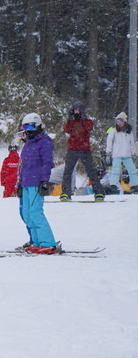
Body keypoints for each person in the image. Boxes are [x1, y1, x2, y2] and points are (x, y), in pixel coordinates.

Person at [15, 113, 59, 253]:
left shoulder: (44, 142)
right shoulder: (28, 143)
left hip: (36, 182)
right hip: (26, 182)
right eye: (25, 126)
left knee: (35, 213)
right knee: (27, 214)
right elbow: (23, 165)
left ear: (38, 125)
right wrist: (20, 183)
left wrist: (45, 181)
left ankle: (48, 243)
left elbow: (47, 163)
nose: (27, 129)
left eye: (30, 126)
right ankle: (36, 241)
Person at [60, 102, 105, 201]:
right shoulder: (71, 122)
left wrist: (83, 117)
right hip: (72, 149)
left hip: (85, 150)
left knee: (91, 172)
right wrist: (69, 118)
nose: (77, 112)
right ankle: (66, 193)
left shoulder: (87, 121)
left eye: (78, 110)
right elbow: (66, 129)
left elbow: (89, 128)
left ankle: (99, 192)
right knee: (68, 172)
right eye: (75, 110)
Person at [105, 112, 136, 192]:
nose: (119, 124)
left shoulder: (128, 131)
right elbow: (109, 141)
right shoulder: (114, 131)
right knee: (115, 170)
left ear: (124, 121)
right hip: (117, 154)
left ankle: (135, 184)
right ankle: (113, 185)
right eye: (117, 122)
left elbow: (132, 143)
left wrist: (133, 152)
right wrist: (109, 151)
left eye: (120, 121)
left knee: (132, 169)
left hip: (127, 154)